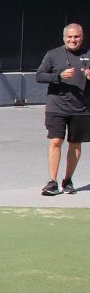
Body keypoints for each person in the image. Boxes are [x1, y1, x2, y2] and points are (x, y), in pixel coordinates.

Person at [34, 23, 89, 196]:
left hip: (82, 108)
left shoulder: (88, 54)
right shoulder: (53, 54)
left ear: (82, 37)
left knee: (75, 144)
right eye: (70, 37)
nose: (73, 40)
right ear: (64, 38)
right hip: (56, 106)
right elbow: (39, 76)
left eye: (76, 37)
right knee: (56, 141)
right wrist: (58, 76)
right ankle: (52, 181)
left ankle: (68, 180)